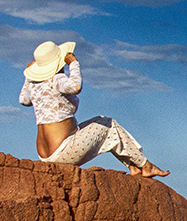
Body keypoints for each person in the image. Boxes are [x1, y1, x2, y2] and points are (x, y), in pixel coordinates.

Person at [19, 40, 169, 178]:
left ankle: (134, 166)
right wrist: (74, 64)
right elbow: (76, 86)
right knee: (109, 125)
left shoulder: (36, 85)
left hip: (45, 155)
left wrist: (28, 77)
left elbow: (23, 100)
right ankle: (146, 165)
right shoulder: (56, 79)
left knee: (101, 121)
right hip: (63, 151)